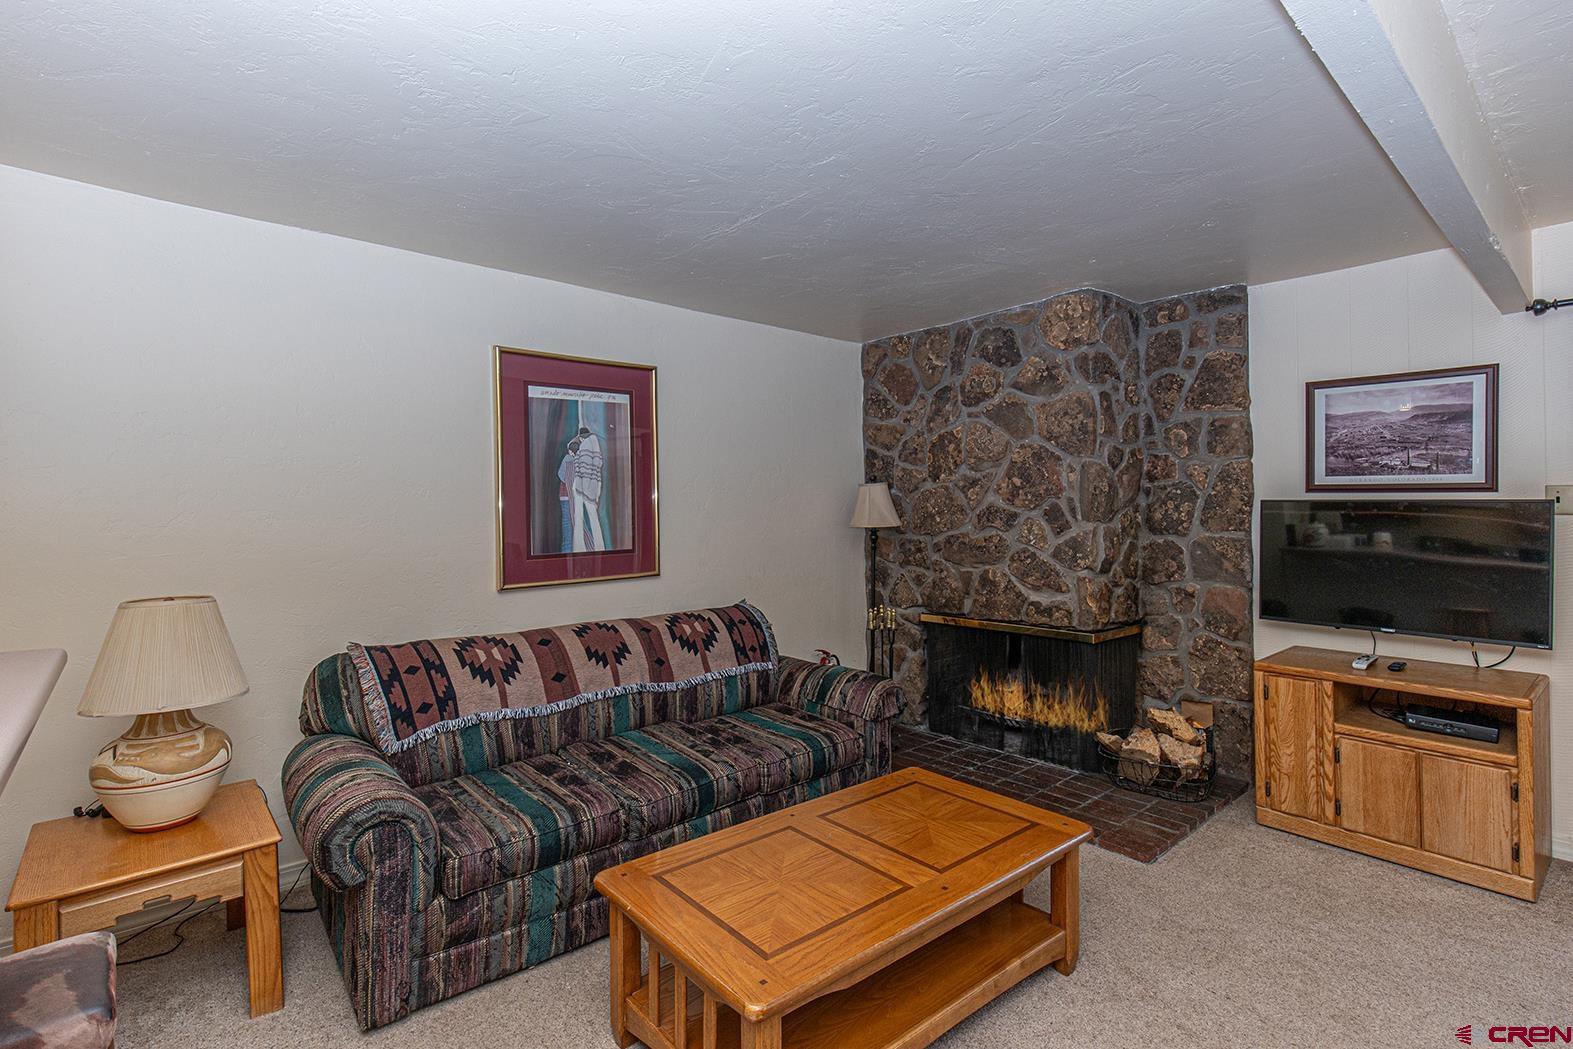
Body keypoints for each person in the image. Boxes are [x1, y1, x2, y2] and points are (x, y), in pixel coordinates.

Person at [569, 426, 606, 552]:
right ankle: (600, 547)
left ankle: (579, 548)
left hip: (582, 487)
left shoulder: (584, 448)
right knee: (594, 518)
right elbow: (596, 471)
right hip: (593, 487)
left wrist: (584, 490)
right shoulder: (596, 448)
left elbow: (583, 470)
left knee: (578, 517)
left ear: (580, 437)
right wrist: (595, 493)